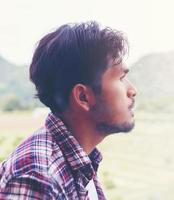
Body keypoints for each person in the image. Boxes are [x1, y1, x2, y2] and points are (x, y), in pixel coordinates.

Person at [0, 21, 137, 199]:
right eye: (121, 78)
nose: (132, 90)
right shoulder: (37, 178)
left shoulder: (79, 162)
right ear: (83, 97)